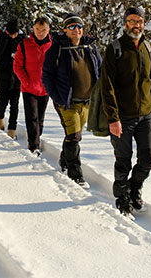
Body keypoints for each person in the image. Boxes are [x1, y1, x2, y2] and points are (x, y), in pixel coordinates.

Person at [101, 7, 151, 216]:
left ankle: (134, 187)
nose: (136, 25)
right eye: (131, 21)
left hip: (145, 114)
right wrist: (113, 118)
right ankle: (121, 197)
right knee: (123, 160)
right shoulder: (115, 49)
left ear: (144, 23)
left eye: (139, 21)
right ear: (125, 23)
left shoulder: (148, 47)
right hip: (122, 117)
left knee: (148, 159)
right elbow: (106, 86)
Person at [42, 14, 101, 188]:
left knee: (74, 135)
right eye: (72, 27)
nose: (77, 30)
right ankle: (76, 175)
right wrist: (57, 97)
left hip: (86, 102)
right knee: (73, 136)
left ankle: (64, 161)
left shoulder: (90, 48)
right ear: (65, 30)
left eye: (80, 26)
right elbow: (47, 76)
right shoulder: (57, 49)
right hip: (66, 101)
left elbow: (100, 70)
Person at [14, 16, 52, 156]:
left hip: (45, 88)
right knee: (32, 117)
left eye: (43, 30)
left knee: (40, 118)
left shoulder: (52, 46)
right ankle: (33, 145)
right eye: (37, 29)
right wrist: (26, 81)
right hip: (29, 88)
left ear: (48, 30)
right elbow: (17, 65)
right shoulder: (24, 44)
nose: (40, 32)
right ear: (33, 29)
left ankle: (36, 137)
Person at [0, 20, 22, 138]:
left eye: (15, 33)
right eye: (11, 33)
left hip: (17, 76)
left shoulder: (21, 39)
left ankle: (12, 129)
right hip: (3, 74)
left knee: (15, 105)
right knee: (3, 101)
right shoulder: (1, 37)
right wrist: (6, 39)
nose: (13, 35)